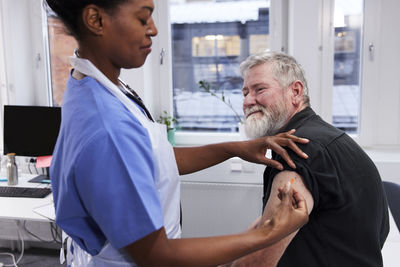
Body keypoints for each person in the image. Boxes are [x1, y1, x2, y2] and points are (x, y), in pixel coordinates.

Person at [46, 1, 310, 266]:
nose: (154, 30)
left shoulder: (93, 84)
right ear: (96, 20)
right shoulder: (108, 128)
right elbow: (158, 255)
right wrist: (270, 232)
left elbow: (153, 160)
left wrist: (235, 149)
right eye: (142, 18)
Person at [227, 51, 389, 267]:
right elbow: (267, 225)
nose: (247, 101)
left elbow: (260, 261)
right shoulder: (330, 137)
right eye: (245, 92)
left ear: (295, 91)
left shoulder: (297, 150)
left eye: (260, 89)